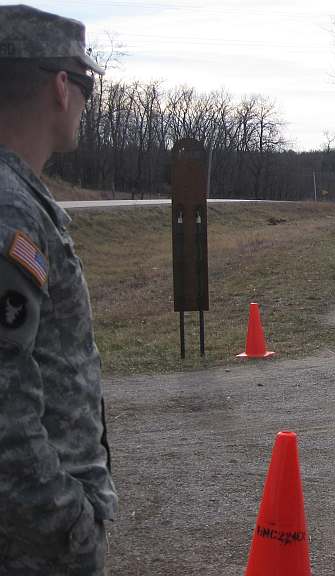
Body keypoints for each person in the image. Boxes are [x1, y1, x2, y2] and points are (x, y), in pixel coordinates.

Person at [0, 6, 117, 574]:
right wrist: (68, 524)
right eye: (87, 83)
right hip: (30, 548)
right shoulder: (9, 210)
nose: (87, 101)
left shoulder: (19, 197)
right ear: (59, 86)